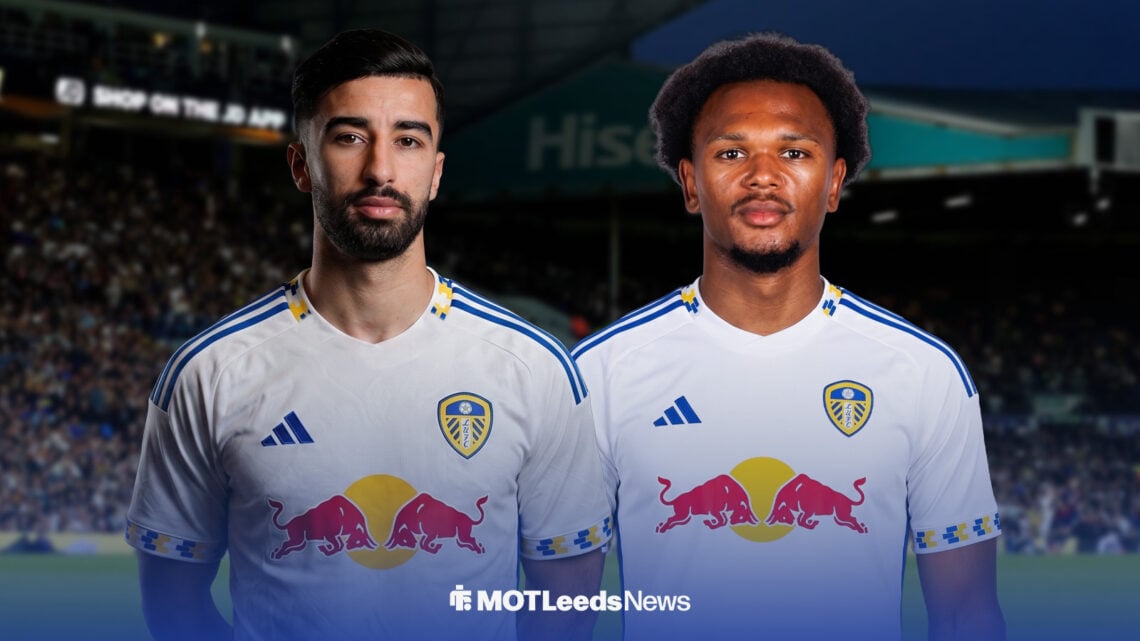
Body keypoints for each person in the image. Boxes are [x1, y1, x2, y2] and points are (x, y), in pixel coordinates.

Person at [126, 28, 610, 641]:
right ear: (302, 164)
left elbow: (565, 613)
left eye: (407, 140)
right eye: (350, 137)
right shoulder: (209, 373)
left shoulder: (534, 369)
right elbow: (174, 612)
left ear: (435, 173)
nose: (381, 169)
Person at [572, 32, 1004, 641]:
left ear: (834, 182)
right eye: (731, 154)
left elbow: (966, 615)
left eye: (795, 153)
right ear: (691, 184)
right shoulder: (598, 374)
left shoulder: (924, 373)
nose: (763, 177)